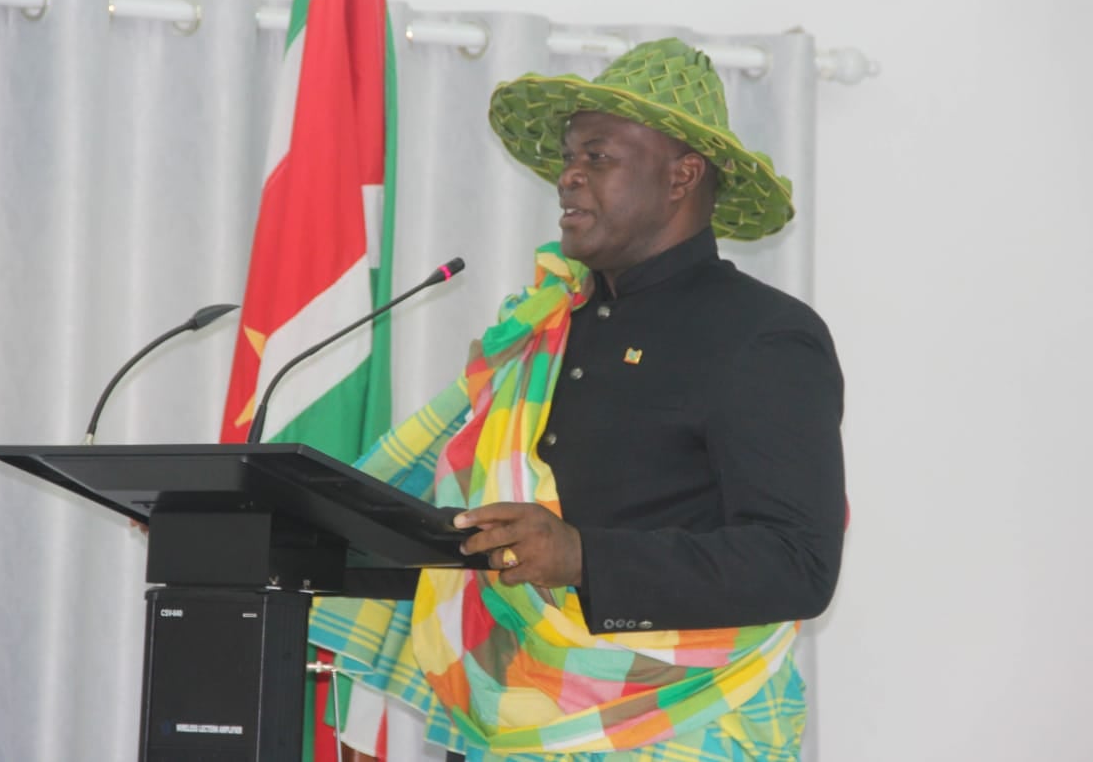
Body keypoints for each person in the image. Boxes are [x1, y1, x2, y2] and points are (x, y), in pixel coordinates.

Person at [313, 37, 845, 762]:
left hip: (688, 726)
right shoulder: (545, 326)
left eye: (598, 156)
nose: (568, 176)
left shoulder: (763, 335)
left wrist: (583, 556)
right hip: (510, 721)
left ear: (682, 175)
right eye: (568, 157)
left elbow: (796, 563)